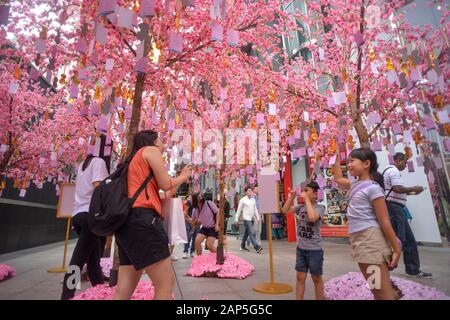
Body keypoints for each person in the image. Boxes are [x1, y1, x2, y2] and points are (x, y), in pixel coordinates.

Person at [113, 130, 192, 300]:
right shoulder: (151, 150)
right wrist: (183, 176)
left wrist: (179, 181)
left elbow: (164, 194)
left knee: (124, 289)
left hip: (127, 225)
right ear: (153, 141)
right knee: (165, 283)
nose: (162, 144)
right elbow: (165, 184)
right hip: (143, 223)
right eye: (161, 140)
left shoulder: (133, 163)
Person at [334, 148, 402, 300]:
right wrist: (337, 160)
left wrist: (397, 249)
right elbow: (338, 178)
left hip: (370, 241)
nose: (348, 165)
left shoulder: (373, 188)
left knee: (381, 292)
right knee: (376, 289)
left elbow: (384, 220)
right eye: (348, 161)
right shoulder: (354, 184)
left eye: (352, 161)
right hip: (361, 241)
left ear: (366, 163)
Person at [60, 154, 109, 300]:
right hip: (90, 216)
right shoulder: (98, 162)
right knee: (77, 261)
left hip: (78, 215)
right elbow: (98, 187)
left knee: (93, 260)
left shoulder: (83, 165)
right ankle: (66, 296)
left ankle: (100, 291)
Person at [383, 152, 432, 278]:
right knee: (400, 239)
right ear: (398, 160)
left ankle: (412, 269)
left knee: (408, 240)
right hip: (394, 208)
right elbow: (397, 189)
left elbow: (397, 191)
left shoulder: (391, 171)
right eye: (405, 162)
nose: (405, 165)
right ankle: (385, 266)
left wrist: (413, 192)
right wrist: (413, 187)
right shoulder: (393, 171)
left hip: (395, 208)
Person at [282, 182, 325, 300]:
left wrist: (306, 200)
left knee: (316, 278)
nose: (304, 193)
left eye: (307, 191)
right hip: (301, 248)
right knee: (300, 277)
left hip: (315, 250)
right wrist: (291, 197)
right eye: (303, 191)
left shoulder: (320, 207)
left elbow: (312, 217)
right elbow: (285, 210)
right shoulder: (300, 207)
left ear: (315, 194)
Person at [234, 187, 263, 253]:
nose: (250, 192)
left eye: (250, 190)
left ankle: (242, 246)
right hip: (246, 219)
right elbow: (239, 210)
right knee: (251, 233)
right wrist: (236, 219)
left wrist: (258, 218)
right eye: (248, 190)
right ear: (245, 192)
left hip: (252, 219)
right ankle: (257, 247)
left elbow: (255, 209)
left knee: (246, 234)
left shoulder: (253, 200)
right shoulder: (242, 200)